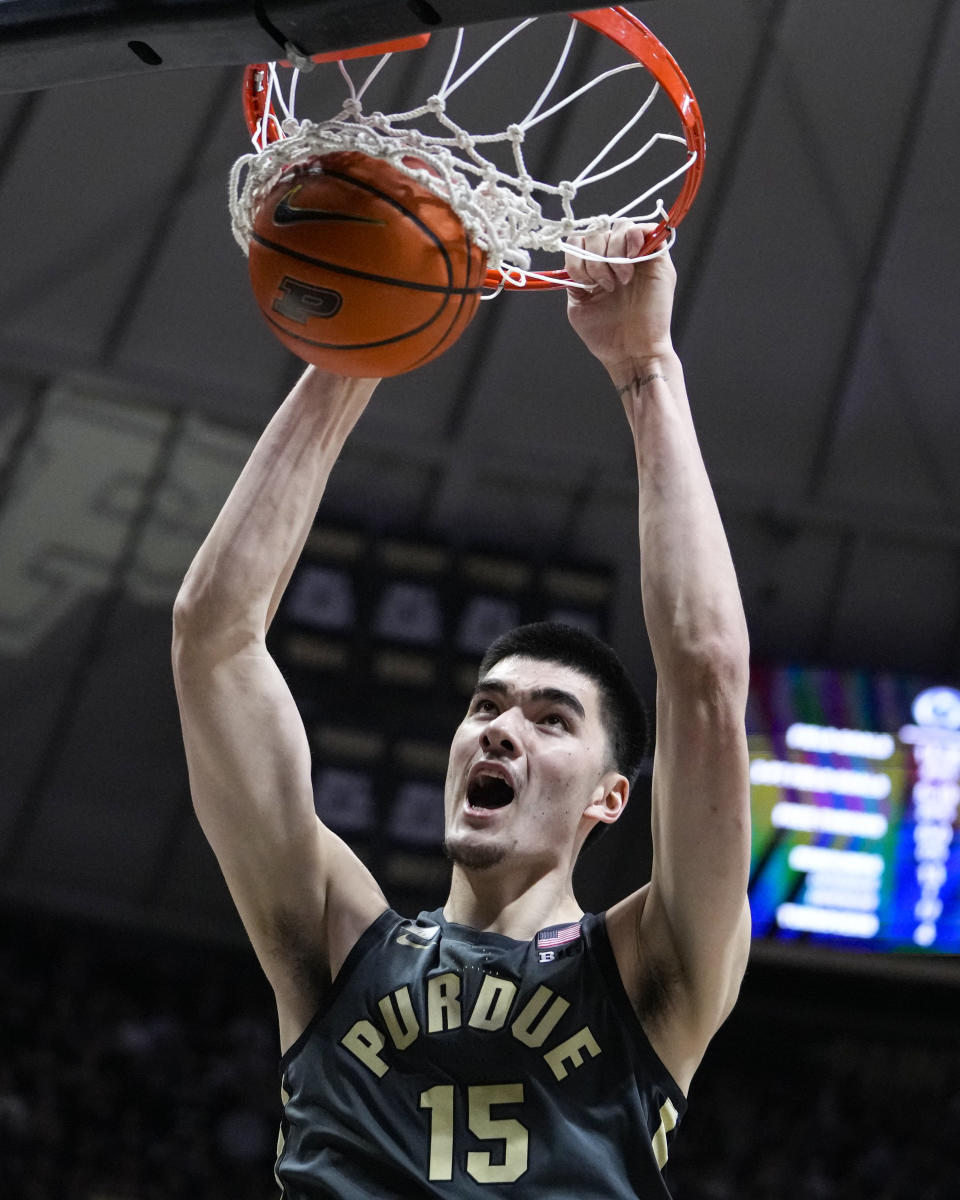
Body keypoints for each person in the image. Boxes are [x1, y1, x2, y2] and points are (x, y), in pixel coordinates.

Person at [171, 221, 751, 1198]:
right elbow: (213, 637)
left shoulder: (651, 971)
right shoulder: (339, 941)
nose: (499, 727)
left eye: (551, 718)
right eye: (486, 705)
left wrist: (646, 367)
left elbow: (703, 680)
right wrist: (369, 338)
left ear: (612, 799)